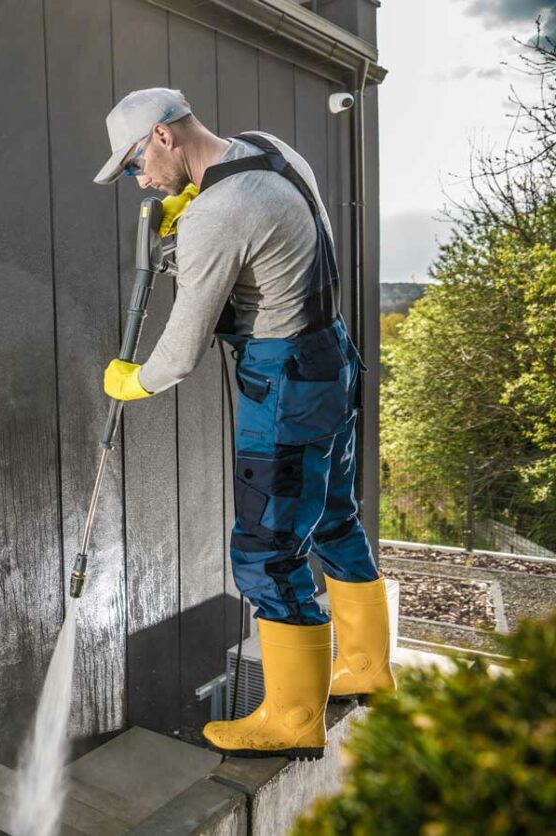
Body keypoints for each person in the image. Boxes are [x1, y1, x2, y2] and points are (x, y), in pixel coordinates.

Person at [94, 88, 396, 761]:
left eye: (136, 161)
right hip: (332, 357)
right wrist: (194, 207)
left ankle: (293, 717)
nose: (137, 179)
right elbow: (269, 228)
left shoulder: (217, 217)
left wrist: (129, 380)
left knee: (267, 550)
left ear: (165, 136)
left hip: (285, 382)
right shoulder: (269, 150)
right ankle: (368, 666)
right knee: (336, 517)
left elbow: (179, 354)